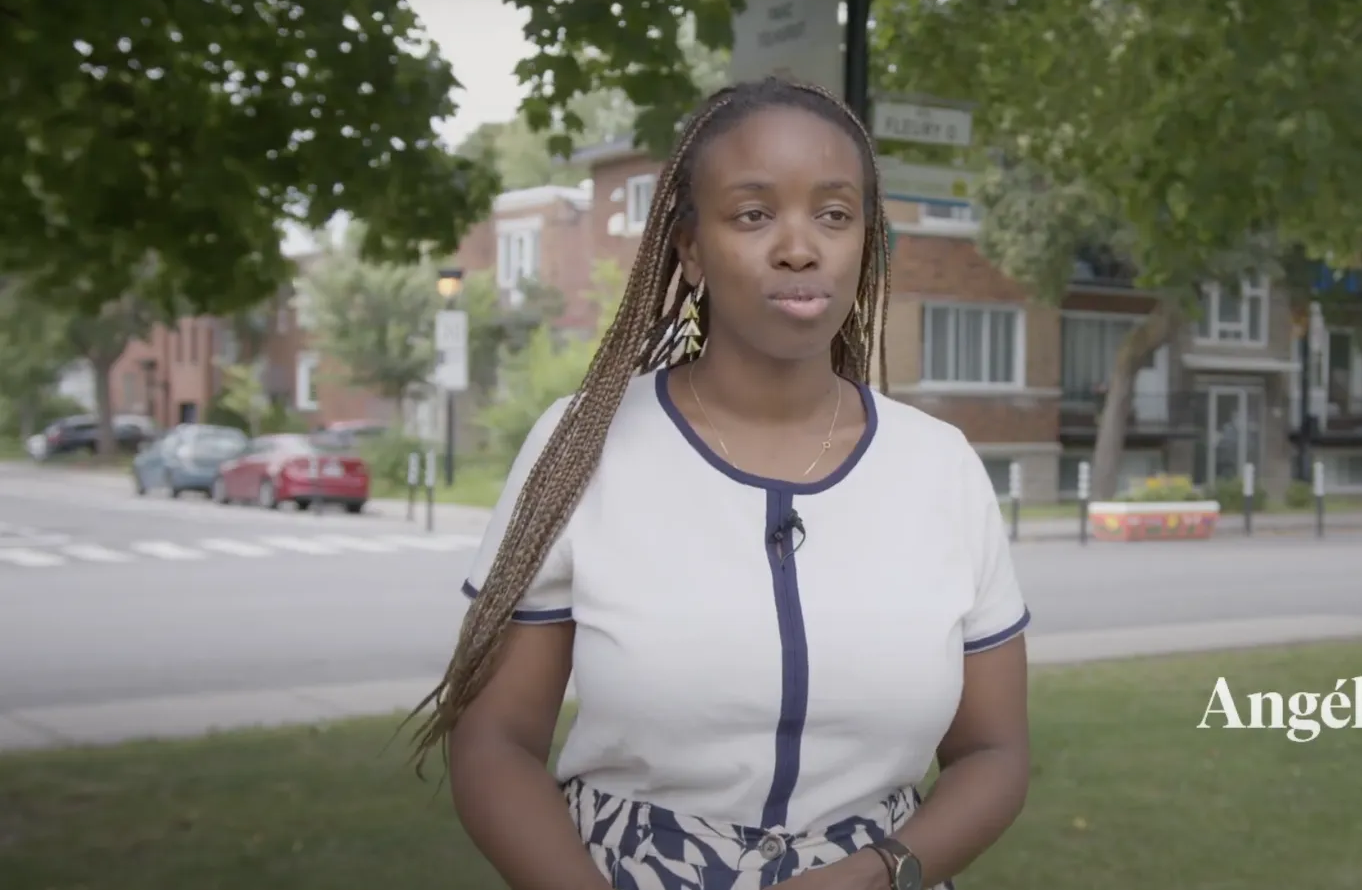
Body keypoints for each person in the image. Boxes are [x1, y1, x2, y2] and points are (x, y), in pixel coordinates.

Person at [406, 77, 1032, 890]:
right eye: (753, 214)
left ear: (866, 241)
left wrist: (879, 873)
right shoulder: (582, 446)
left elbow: (994, 751)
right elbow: (495, 741)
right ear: (691, 246)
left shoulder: (941, 466)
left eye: (834, 215)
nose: (799, 247)